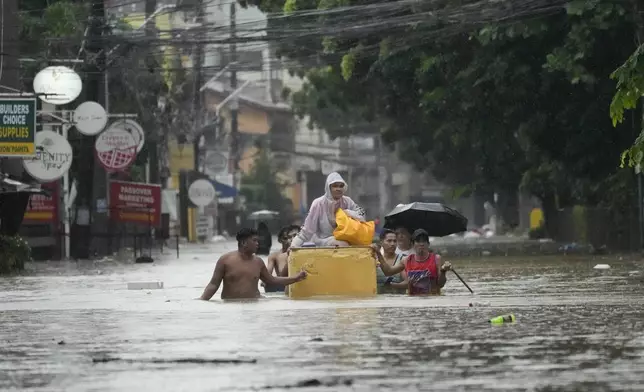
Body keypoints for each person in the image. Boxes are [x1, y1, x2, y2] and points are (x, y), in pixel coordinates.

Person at [200, 228, 307, 300]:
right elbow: (213, 285)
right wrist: (202, 301)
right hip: (231, 306)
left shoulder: (258, 262)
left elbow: (272, 280)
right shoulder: (225, 260)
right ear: (243, 243)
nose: (258, 244)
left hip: (255, 304)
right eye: (254, 241)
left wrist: (296, 278)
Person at [291, 172, 366, 248]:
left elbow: (362, 215)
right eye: (335, 186)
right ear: (328, 187)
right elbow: (307, 230)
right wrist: (294, 245)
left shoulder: (347, 201)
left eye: (341, 186)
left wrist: (346, 213)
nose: (338, 189)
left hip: (347, 238)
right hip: (324, 241)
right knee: (342, 245)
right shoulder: (318, 203)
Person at [372, 229, 453, 296]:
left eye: (424, 241)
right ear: (413, 244)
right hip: (413, 301)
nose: (421, 244)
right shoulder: (406, 260)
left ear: (428, 244)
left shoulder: (437, 259)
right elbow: (388, 272)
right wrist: (378, 254)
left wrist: (443, 271)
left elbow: (441, 284)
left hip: (432, 300)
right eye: (418, 241)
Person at [264, 225, 300, 293]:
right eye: (287, 238)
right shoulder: (277, 256)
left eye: (295, 236)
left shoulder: (309, 251)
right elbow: (269, 274)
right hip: (284, 286)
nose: (292, 239)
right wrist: (265, 281)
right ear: (280, 240)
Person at [375, 229, 407, 294]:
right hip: (379, 301)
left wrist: (393, 285)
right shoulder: (374, 260)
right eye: (389, 241)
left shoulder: (403, 259)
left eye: (395, 241)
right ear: (381, 242)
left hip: (398, 300)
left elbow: (407, 282)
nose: (392, 244)